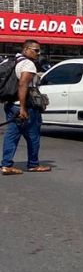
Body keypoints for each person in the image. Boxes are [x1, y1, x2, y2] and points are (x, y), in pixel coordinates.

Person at [1, 39, 50, 175]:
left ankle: (6, 165)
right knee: (33, 135)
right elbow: (23, 84)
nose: (38, 53)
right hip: (25, 107)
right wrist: (23, 108)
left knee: (11, 135)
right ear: (26, 49)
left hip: (11, 105)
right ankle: (33, 164)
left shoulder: (14, 60)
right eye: (36, 50)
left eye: (39, 51)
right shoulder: (28, 64)